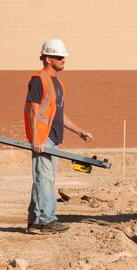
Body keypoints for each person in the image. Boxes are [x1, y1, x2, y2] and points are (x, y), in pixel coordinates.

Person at [24, 38, 93, 234]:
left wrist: (79, 131)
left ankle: (36, 220)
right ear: (47, 59)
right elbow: (34, 112)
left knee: (44, 178)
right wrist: (36, 139)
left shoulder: (59, 84)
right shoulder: (39, 80)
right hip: (43, 138)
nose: (63, 60)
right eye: (59, 57)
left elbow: (58, 114)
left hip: (53, 138)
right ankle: (47, 220)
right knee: (44, 179)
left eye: (63, 56)